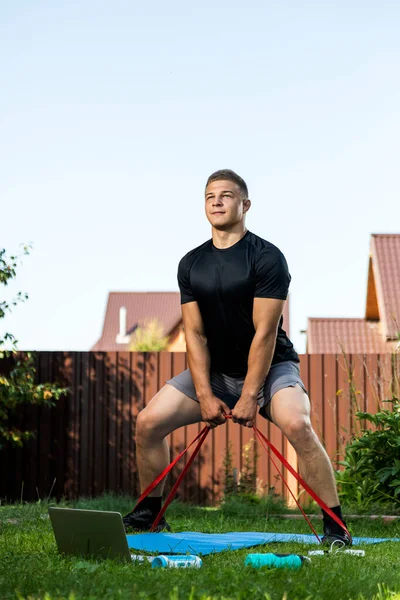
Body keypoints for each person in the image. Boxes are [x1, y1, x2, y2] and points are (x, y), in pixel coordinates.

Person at [123, 169, 351, 546]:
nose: (216, 201)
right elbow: (194, 334)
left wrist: (249, 395)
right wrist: (206, 393)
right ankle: (149, 515)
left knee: (297, 424)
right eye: (210, 195)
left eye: (226, 195)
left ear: (245, 205)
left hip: (271, 367)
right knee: (148, 423)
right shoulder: (191, 264)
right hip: (216, 372)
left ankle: (335, 526)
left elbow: (264, 332)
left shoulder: (267, 258)